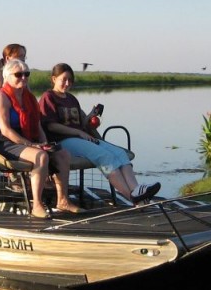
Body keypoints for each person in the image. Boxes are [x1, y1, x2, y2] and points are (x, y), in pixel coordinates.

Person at [39, 63, 161, 204]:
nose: (67, 83)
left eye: (70, 80)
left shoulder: (71, 99)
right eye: (64, 79)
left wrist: (91, 116)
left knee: (120, 154)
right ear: (54, 79)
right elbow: (51, 126)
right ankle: (132, 197)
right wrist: (78, 132)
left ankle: (137, 190)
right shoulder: (48, 97)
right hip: (63, 141)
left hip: (79, 138)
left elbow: (80, 123)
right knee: (105, 156)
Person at [0, 59, 80, 218]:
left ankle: (63, 200)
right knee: (40, 155)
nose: (23, 78)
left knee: (62, 154)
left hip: (28, 138)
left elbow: (37, 125)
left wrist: (44, 142)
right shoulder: (1, 97)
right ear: (7, 76)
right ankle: (37, 205)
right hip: (6, 142)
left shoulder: (29, 97)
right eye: (18, 75)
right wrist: (31, 145)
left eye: (26, 74)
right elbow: (5, 130)